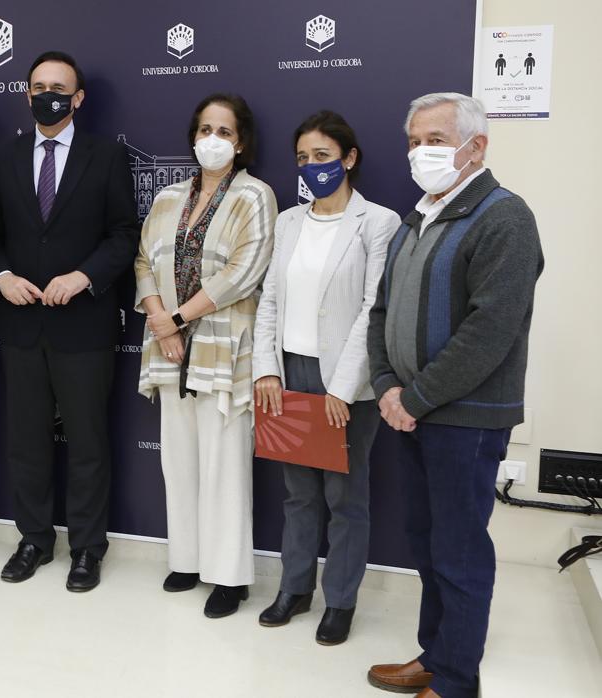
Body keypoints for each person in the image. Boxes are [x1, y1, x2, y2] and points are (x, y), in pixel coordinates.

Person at [366, 93, 542, 698]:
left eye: (435, 140)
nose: (421, 153)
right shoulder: (418, 217)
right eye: (414, 142)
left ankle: (457, 680)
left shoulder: (504, 217)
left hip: (463, 419)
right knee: (425, 541)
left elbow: (489, 331)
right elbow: (381, 311)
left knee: (460, 551)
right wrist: (389, 386)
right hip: (411, 412)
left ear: (477, 146)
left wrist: (412, 399)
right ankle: (435, 655)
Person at [0, 51, 138, 592]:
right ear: (26, 94)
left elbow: (124, 235)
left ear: (78, 98)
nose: (48, 94)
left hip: (85, 324)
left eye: (60, 87)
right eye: (39, 85)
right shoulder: (4, 157)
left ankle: (88, 548)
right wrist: (1, 276)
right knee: (26, 440)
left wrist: (84, 277)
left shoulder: (106, 157)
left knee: (88, 441)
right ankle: (33, 540)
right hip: (21, 324)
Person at [251, 111, 399, 644]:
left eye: (323, 156)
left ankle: (340, 600)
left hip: (347, 383)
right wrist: (267, 369)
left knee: (345, 496)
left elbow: (372, 309)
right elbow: (269, 298)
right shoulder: (289, 222)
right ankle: (294, 589)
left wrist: (341, 386)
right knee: (298, 494)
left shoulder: (379, 223)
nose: (313, 167)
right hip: (289, 372)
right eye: (303, 159)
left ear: (349, 158)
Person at [133, 93, 276, 617]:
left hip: (221, 347)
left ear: (241, 142)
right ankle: (187, 560)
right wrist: (159, 320)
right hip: (168, 347)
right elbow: (144, 260)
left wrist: (177, 318)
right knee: (180, 460)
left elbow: (244, 271)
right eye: (205, 129)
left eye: (225, 131)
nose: (212, 139)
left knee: (224, 465)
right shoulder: (169, 195)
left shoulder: (255, 195)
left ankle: (229, 576)